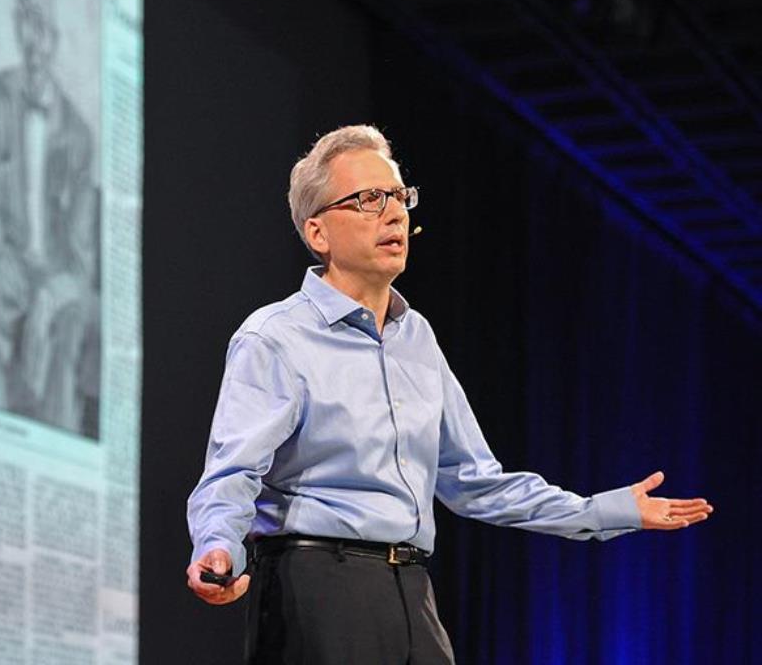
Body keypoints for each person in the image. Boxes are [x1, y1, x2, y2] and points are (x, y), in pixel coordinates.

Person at [186, 125, 712, 664]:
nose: (394, 215)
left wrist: (604, 510)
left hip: (412, 590)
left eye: (398, 196)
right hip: (317, 590)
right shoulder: (275, 337)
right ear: (318, 232)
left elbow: (473, 481)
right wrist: (217, 547)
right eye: (369, 199)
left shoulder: (417, 338)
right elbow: (231, 473)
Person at [0, 0, 99, 435]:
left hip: (56, 273)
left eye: (42, 25)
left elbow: (81, 259)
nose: (32, 37)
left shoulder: (79, 135)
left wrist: (54, 291)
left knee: (68, 317)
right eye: (25, 20)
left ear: (57, 37)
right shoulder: (0, 92)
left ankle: (52, 451)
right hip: (10, 254)